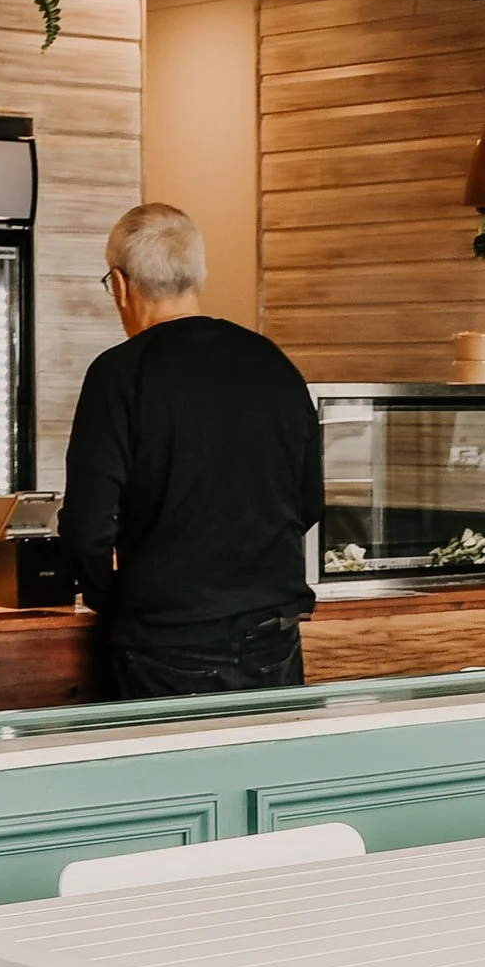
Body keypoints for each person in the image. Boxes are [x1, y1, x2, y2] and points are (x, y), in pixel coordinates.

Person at [60, 201, 325, 700]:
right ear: (196, 276)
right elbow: (308, 504)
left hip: (168, 647)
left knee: (173, 780)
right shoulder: (272, 363)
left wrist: (114, 599)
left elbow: (86, 527)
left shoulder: (119, 374)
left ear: (119, 284)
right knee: (260, 775)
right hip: (276, 637)